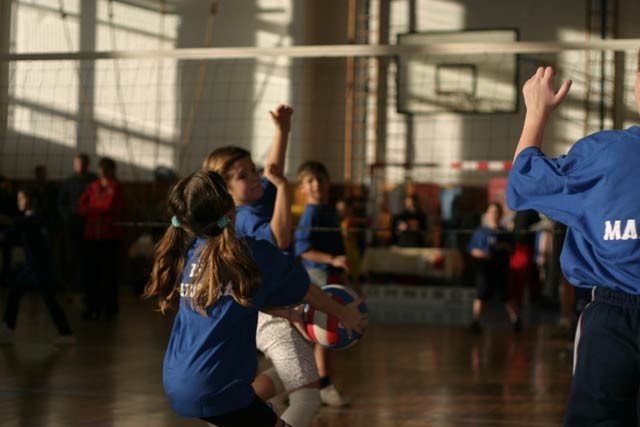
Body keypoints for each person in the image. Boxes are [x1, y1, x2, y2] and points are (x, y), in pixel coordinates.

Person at [143, 170, 366, 427]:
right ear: (230, 208)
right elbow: (308, 291)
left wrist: (288, 313)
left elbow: (236, 298)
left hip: (177, 379)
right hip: (217, 386)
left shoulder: (192, 253)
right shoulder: (252, 253)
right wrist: (344, 314)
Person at [506, 62, 640, 425]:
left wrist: (536, 113)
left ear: (637, 85)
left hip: (614, 321)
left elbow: (522, 185)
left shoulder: (607, 154)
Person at [203, 105, 351, 423]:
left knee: (292, 374)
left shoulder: (257, 198)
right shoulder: (242, 218)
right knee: (307, 397)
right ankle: (233, 412)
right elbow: (281, 239)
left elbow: (272, 169)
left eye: (252, 169)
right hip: (268, 313)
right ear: (226, 189)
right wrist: (284, 187)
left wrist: (282, 130)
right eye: (243, 176)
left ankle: (233, 410)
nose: (255, 177)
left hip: (279, 307)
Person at [294, 161, 351, 406]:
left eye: (320, 179)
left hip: (331, 277)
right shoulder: (311, 214)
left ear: (328, 183)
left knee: (324, 337)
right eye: (310, 181)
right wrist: (332, 260)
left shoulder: (329, 211)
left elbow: (338, 247)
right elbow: (304, 250)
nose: (316, 184)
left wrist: (342, 271)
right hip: (316, 278)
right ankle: (321, 387)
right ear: (303, 187)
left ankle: (310, 387)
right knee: (321, 336)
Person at [0, 187, 74, 344]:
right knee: (16, 291)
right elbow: (13, 236)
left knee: (49, 299)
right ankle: (7, 328)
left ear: (32, 200)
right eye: (18, 198)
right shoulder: (27, 220)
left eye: (21, 198)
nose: (19, 202)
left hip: (41, 267)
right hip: (31, 267)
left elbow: (18, 224)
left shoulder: (35, 219)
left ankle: (66, 333)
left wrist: (6, 220)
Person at [78, 157, 123, 320]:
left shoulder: (115, 186)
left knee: (108, 274)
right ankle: (92, 307)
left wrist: (91, 208)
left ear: (111, 170)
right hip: (91, 236)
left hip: (109, 236)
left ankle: (110, 308)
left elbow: (108, 207)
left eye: (106, 168)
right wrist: (95, 208)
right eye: (101, 167)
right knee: (91, 273)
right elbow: (80, 206)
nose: (103, 171)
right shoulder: (93, 186)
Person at [467, 202, 520, 334]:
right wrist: (484, 254)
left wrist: (502, 247)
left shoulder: (504, 232)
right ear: (487, 214)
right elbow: (472, 250)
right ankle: (476, 321)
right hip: (484, 269)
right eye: (491, 212)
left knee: (506, 296)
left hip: (500, 268)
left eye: (496, 212)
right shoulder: (480, 231)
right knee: (481, 295)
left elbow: (512, 250)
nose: (494, 215)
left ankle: (516, 320)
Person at [57, 154, 97, 294]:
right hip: (73, 224)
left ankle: (88, 285)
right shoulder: (68, 181)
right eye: (78, 163)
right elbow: (61, 203)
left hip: (90, 223)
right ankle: (73, 285)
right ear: (74, 164)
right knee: (72, 255)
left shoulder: (94, 180)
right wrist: (67, 218)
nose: (80, 166)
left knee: (90, 255)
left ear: (87, 164)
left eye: (83, 163)